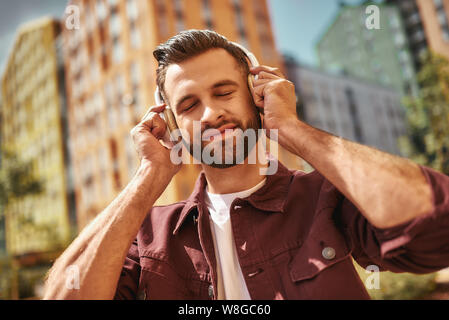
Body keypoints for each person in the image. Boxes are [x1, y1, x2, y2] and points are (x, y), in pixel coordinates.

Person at [43, 30, 449, 300]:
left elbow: (435, 228)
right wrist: (149, 176)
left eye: (224, 92)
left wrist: (290, 129)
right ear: (171, 124)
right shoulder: (147, 235)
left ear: (257, 97)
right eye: (188, 105)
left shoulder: (324, 197)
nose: (210, 113)